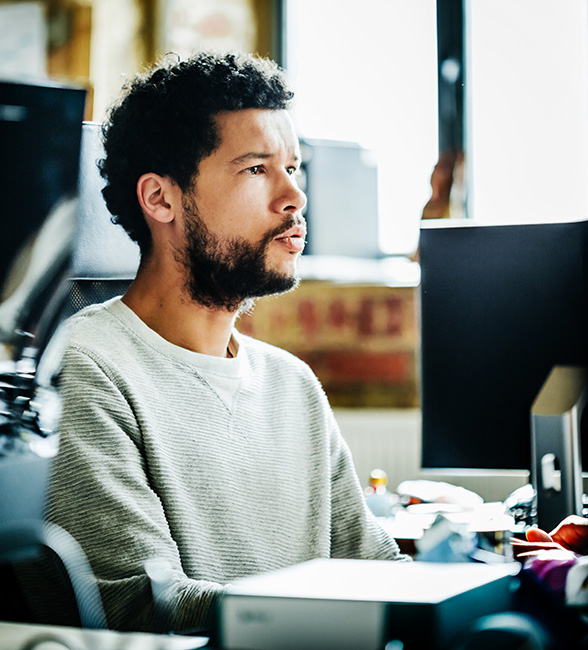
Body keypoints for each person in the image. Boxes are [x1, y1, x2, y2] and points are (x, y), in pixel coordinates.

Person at [29, 52, 406, 633]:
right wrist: (339, 618)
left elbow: (372, 568)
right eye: (257, 169)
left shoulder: (292, 383)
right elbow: (141, 607)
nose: (293, 198)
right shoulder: (85, 368)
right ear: (161, 199)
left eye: (294, 168)